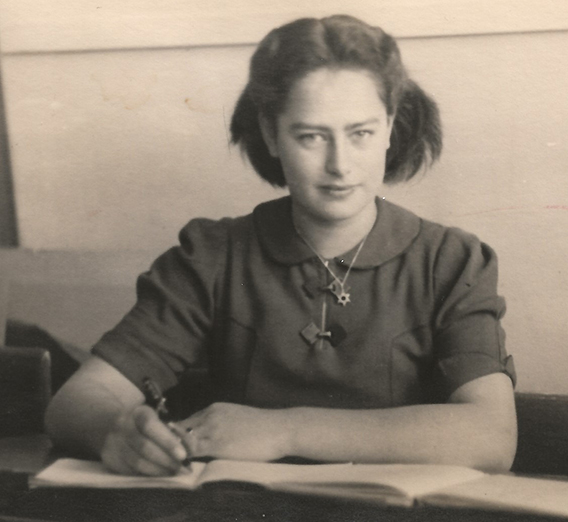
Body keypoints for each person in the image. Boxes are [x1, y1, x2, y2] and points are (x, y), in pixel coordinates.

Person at [45, 14, 517, 477]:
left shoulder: (452, 261)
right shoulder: (211, 256)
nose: (340, 165)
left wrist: (285, 430)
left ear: (391, 127)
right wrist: (118, 433)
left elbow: (493, 438)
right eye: (311, 136)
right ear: (270, 133)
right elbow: (77, 401)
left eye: (361, 134)